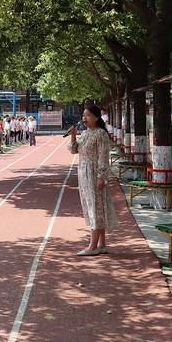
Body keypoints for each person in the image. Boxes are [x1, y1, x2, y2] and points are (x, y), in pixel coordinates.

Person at [68, 105, 118, 256]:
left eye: (88, 115)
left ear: (97, 117)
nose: (84, 118)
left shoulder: (101, 134)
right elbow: (74, 150)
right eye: (83, 115)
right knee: (92, 206)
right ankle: (102, 244)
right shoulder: (85, 133)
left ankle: (93, 246)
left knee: (95, 208)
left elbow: (103, 157)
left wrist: (101, 177)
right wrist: (73, 136)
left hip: (94, 174)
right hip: (83, 174)